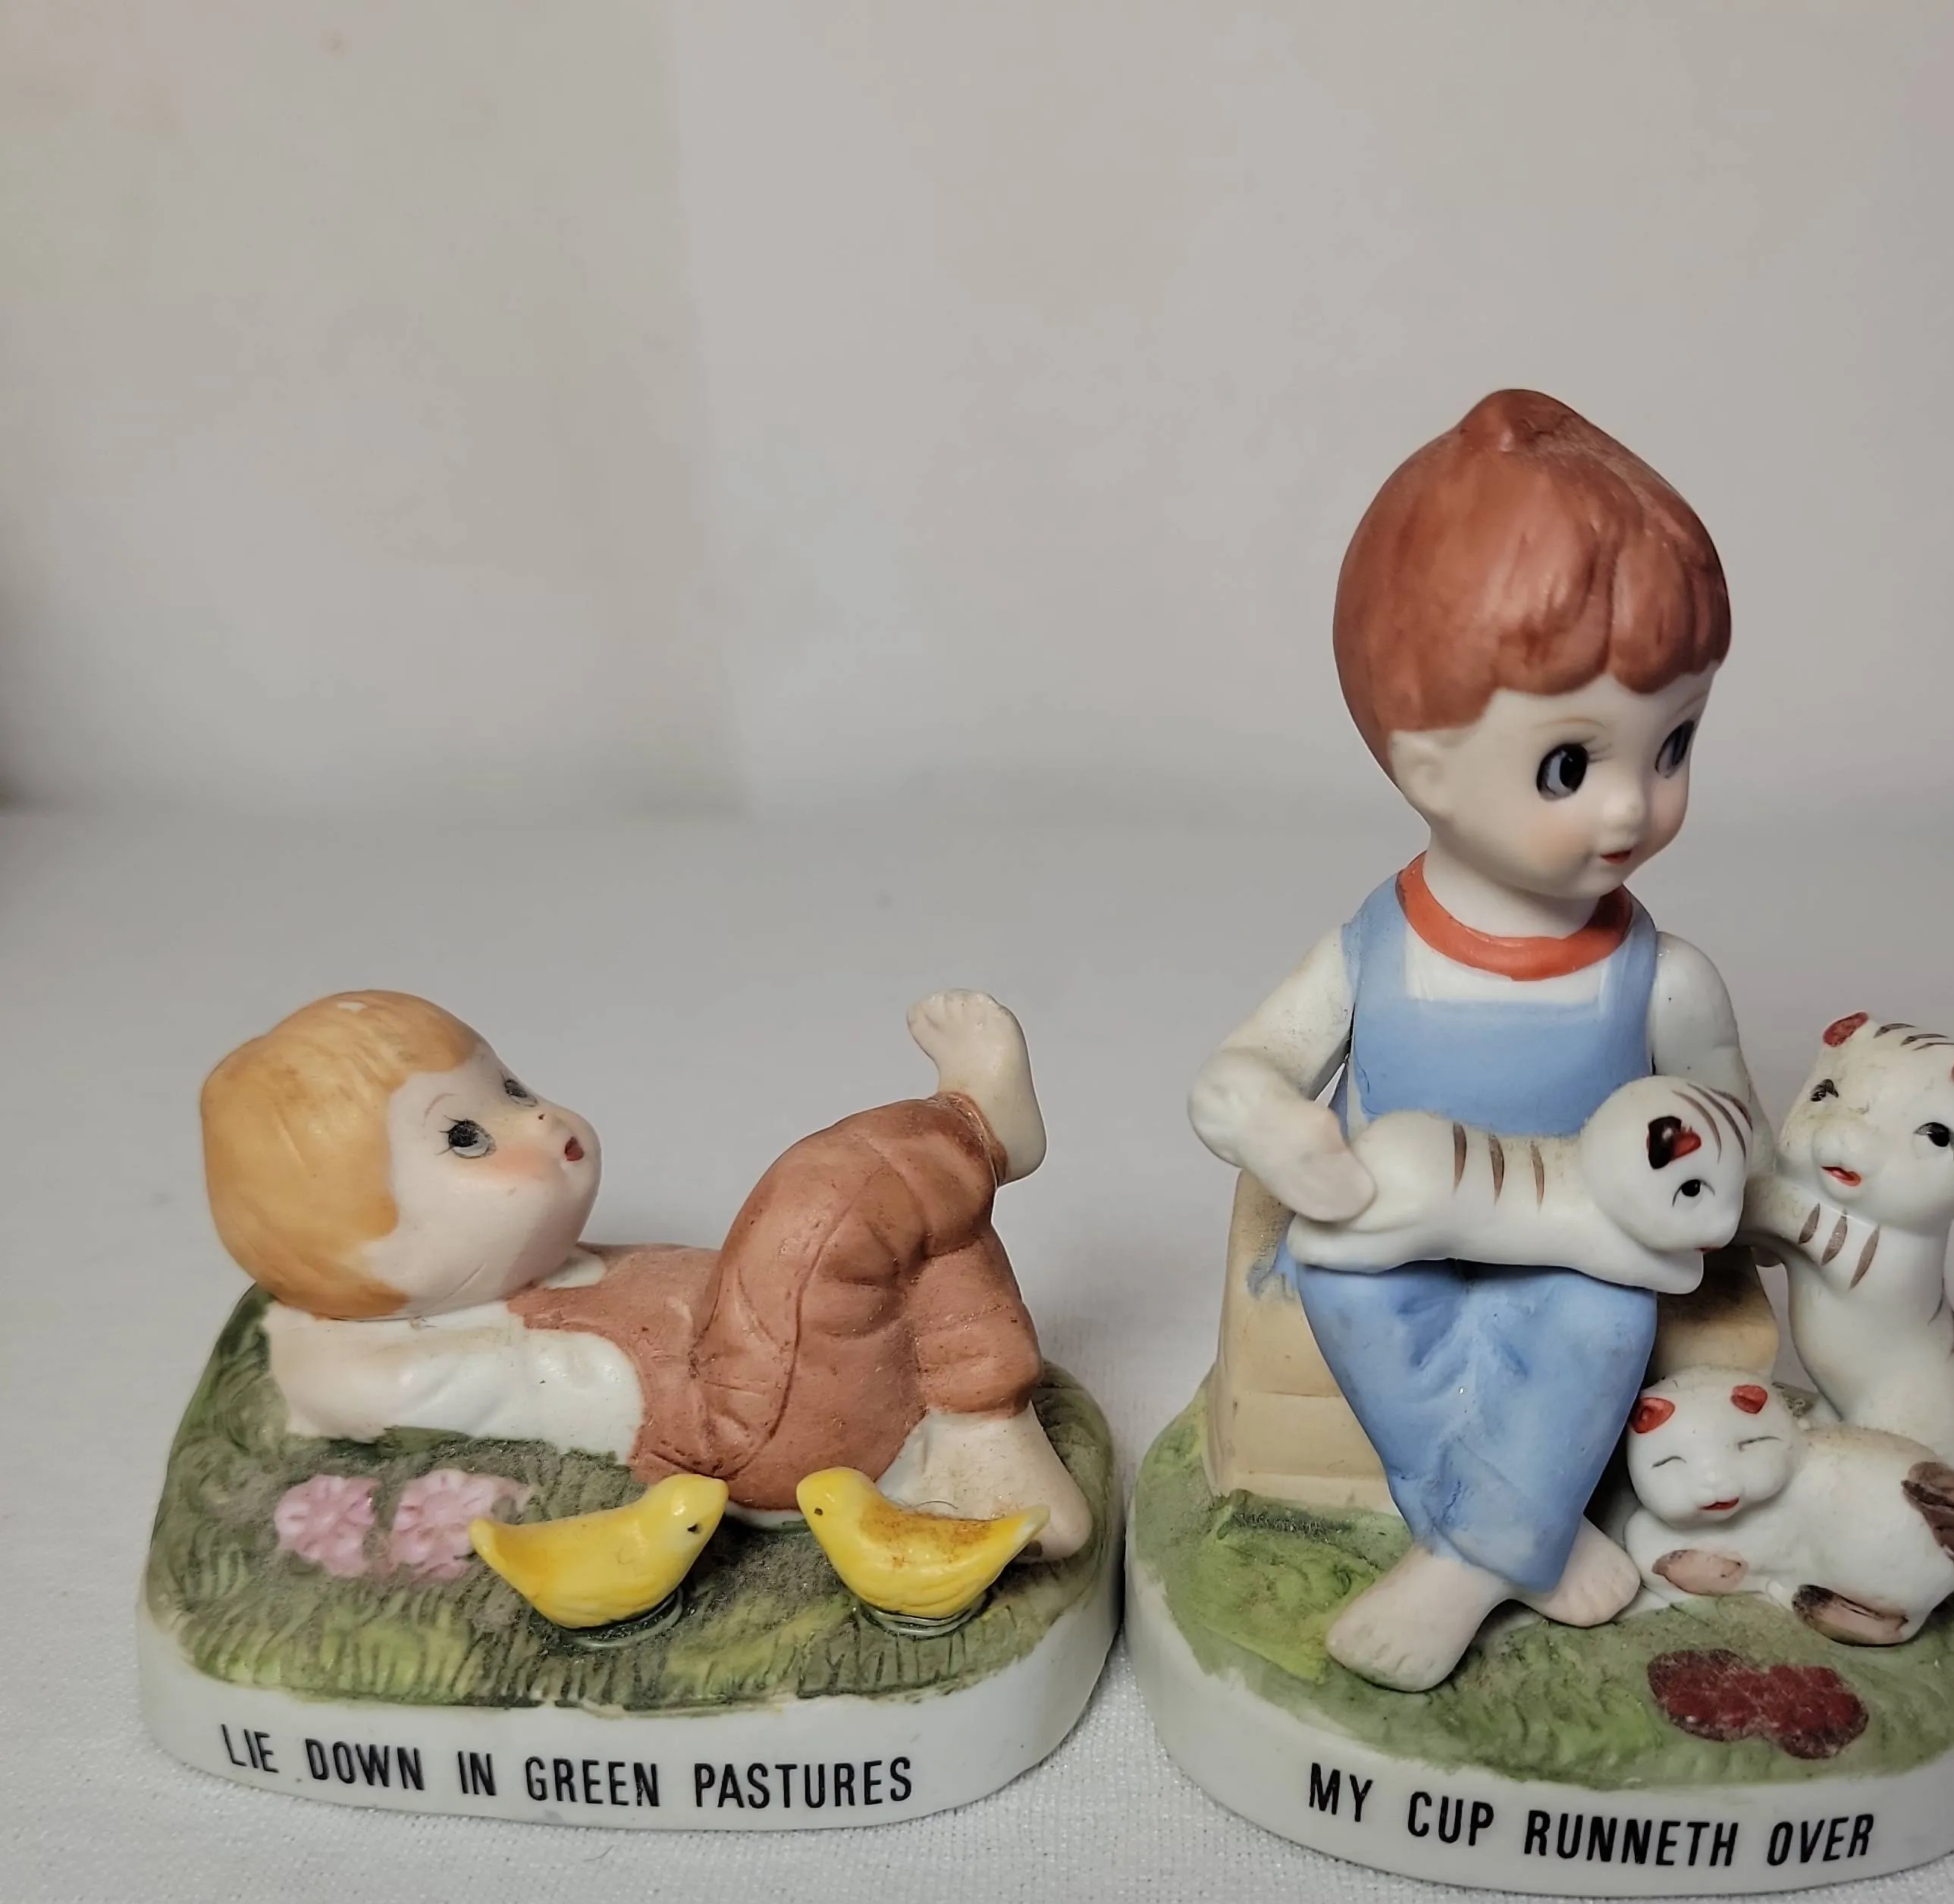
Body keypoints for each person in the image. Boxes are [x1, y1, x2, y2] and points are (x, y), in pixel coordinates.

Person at [1188, 391, 1759, 1689]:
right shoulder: (1375, 952)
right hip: (1400, 1238)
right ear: (1426, 767)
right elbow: (1238, 1073)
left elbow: (1736, 1136)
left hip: (1585, 1249)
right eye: (1571, 765)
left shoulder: (1663, 979)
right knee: (1343, 1280)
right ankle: (1529, 1540)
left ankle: (1467, 1562)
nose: (1632, 806)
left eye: (1672, 744)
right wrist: (1269, 1120)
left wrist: (1701, 1163)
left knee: (1603, 1316)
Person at [199, 986, 1090, 1554]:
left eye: (510, 1089)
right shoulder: (380, 1363)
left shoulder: (508, 1278)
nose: (538, 1121)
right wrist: (325, 1323)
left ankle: (984, 1438)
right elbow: (344, 1392)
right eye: (465, 1138)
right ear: (366, 1249)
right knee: (827, 1206)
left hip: (756, 1368)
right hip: (741, 1429)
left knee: (921, 1239)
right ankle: (977, 1131)